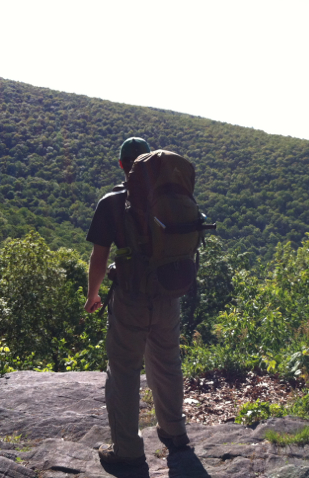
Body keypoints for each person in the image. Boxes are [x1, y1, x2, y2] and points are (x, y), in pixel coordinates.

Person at [84, 137, 189, 469]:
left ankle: (127, 449)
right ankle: (174, 433)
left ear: (121, 165)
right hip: (168, 295)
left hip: (130, 297)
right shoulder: (171, 198)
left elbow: (99, 259)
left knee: (125, 370)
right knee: (167, 363)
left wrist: (93, 295)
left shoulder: (112, 202)